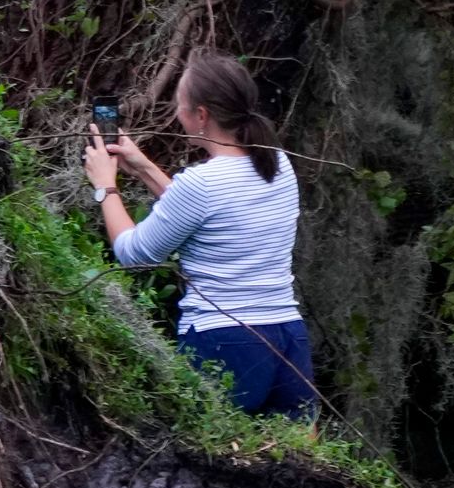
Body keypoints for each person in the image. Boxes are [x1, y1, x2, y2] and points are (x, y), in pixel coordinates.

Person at [82, 52, 315, 415]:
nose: (178, 114)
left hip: (224, 339)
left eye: (180, 106)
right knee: (299, 465)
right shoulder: (277, 163)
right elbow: (212, 213)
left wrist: (105, 186)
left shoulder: (202, 185)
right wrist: (142, 167)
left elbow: (132, 254)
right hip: (287, 336)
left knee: (205, 464)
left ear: (201, 115)